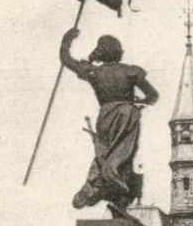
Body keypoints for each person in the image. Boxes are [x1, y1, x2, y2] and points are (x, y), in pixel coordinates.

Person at [60, 29, 159, 211]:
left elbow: (67, 60)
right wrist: (141, 101)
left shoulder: (94, 72)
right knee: (124, 155)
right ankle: (119, 191)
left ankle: (96, 187)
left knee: (103, 154)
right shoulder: (131, 71)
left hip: (105, 116)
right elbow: (153, 96)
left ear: (100, 52)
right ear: (119, 52)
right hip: (128, 115)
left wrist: (67, 40)